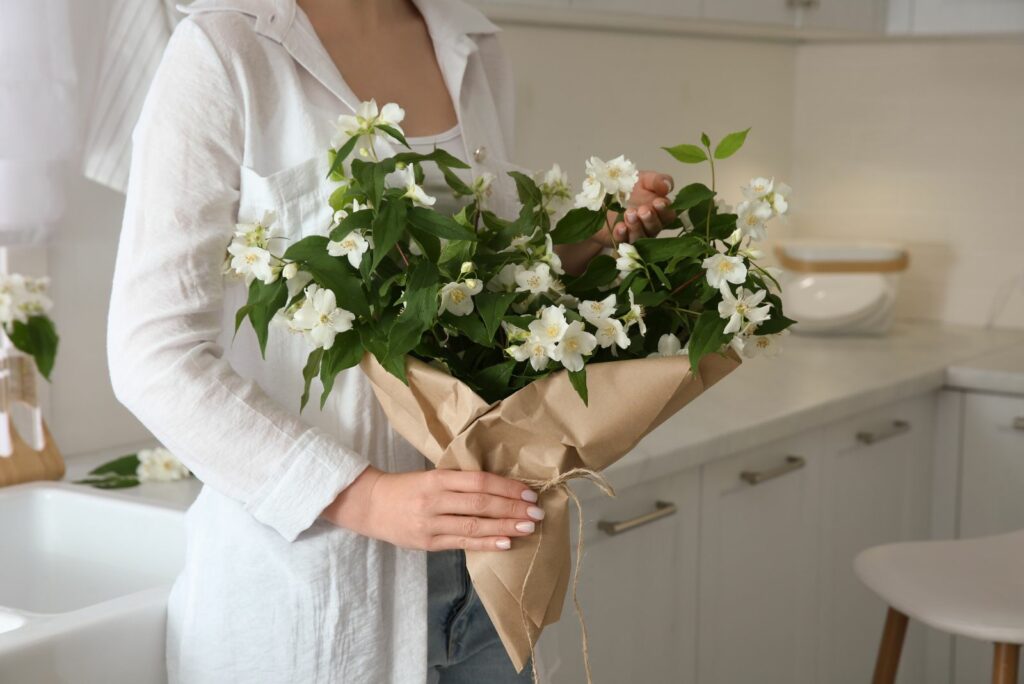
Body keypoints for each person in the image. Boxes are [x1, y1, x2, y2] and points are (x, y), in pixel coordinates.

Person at [107, 0, 677, 681]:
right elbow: (152, 353)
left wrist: (588, 241)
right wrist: (366, 497)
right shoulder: (225, 50)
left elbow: (479, 285)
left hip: (491, 586)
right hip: (319, 599)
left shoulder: (473, 46)